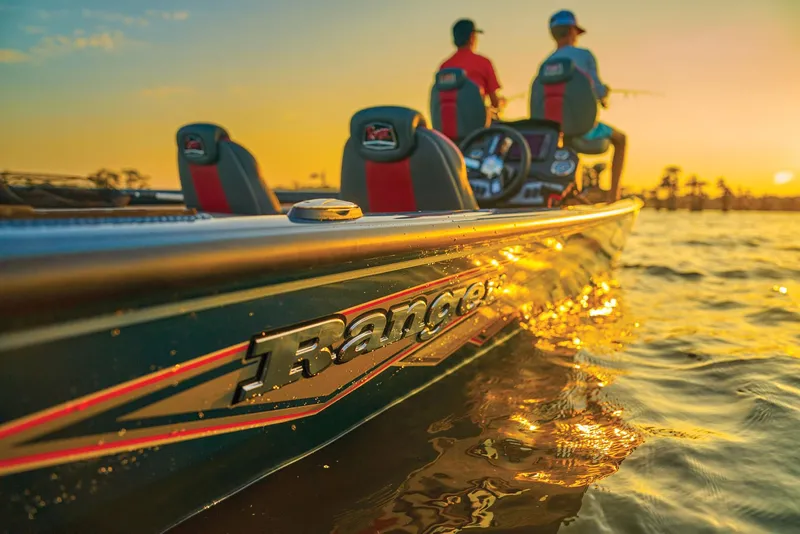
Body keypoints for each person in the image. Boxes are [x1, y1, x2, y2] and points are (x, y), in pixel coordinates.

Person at [544, 10, 626, 202]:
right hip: (583, 130)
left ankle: (574, 194)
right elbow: (597, 91)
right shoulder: (584, 56)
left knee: (570, 144)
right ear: (572, 31)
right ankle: (613, 198)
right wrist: (605, 92)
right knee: (621, 140)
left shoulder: (546, 63)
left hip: (554, 133)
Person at [439, 19, 506, 113]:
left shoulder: (444, 67)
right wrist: (502, 102)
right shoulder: (484, 63)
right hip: (477, 124)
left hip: (450, 123)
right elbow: (494, 102)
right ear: (472, 37)